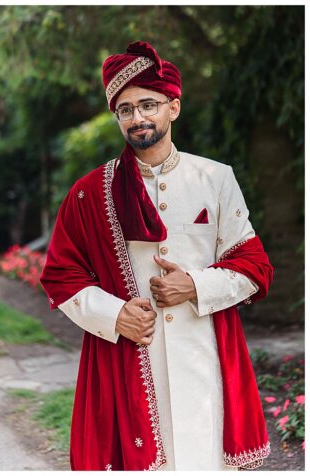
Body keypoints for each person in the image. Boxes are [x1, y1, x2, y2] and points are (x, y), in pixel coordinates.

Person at [40, 41, 273, 470]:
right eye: (124, 109)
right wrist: (113, 314)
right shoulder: (90, 191)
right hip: (127, 355)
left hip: (205, 353)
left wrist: (195, 285)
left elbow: (254, 266)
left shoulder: (216, 179)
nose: (137, 118)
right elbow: (60, 275)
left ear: (174, 108)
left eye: (148, 104)